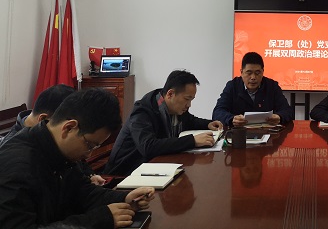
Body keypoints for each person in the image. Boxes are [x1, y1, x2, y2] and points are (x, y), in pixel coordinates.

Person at [0, 88, 154, 228]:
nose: (89, 154)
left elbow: (82, 192)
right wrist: (99, 219)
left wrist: (124, 198)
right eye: (89, 145)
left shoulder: (58, 149)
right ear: (69, 128)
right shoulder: (16, 165)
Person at [105, 69, 223, 176]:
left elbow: (190, 120)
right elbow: (148, 147)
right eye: (187, 99)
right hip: (124, 176)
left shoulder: (174, 108)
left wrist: (208, 124)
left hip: (154, 168)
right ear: (170, 94)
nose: (189, 105)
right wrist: (192, 141)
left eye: (191, 100)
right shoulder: (142, 111)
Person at [0, 84, 107, 186]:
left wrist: (89, 175)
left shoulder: (45, 135)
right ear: (43, 119)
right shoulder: (17, 157)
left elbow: (74, 161)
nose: (68, 130)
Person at [212, 52, 294, 127]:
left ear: (263, 72)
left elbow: (287, 111)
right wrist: (231, 119)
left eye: (257, 73)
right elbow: (218, 112)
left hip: (267, 133)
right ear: (241, 72)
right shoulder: (233, 86)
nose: (253, 77)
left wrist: (279, 117)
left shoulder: (272, 86)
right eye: (249, 73)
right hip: (239, 134)